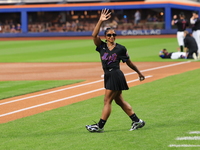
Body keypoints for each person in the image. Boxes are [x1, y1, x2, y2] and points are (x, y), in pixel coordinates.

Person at [85, 9, 146, 133]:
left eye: (114, 35)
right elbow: (94, 35)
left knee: (107, 100)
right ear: (106, 37)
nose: (112, 37)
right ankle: (137, 121)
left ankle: (100, 126)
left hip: (115, 74)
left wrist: (138, 72)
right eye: (109, 35)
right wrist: (100, 21)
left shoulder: (120, 48)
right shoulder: (101, 46)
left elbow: (129, 62)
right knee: (119, 101)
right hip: (108, 75)